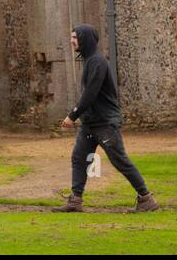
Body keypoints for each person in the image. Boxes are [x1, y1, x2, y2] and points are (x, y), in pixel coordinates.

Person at [56, 24, 159, 213]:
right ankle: (75, 200)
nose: (72, 41)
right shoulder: (89, 60)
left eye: (74, 38)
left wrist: (72, 115)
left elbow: (91, 93)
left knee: (119, 160)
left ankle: (146, 198)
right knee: (79, 158)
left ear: (84, 39)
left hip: (105, 123)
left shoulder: (97, 61)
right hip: (90, 124)